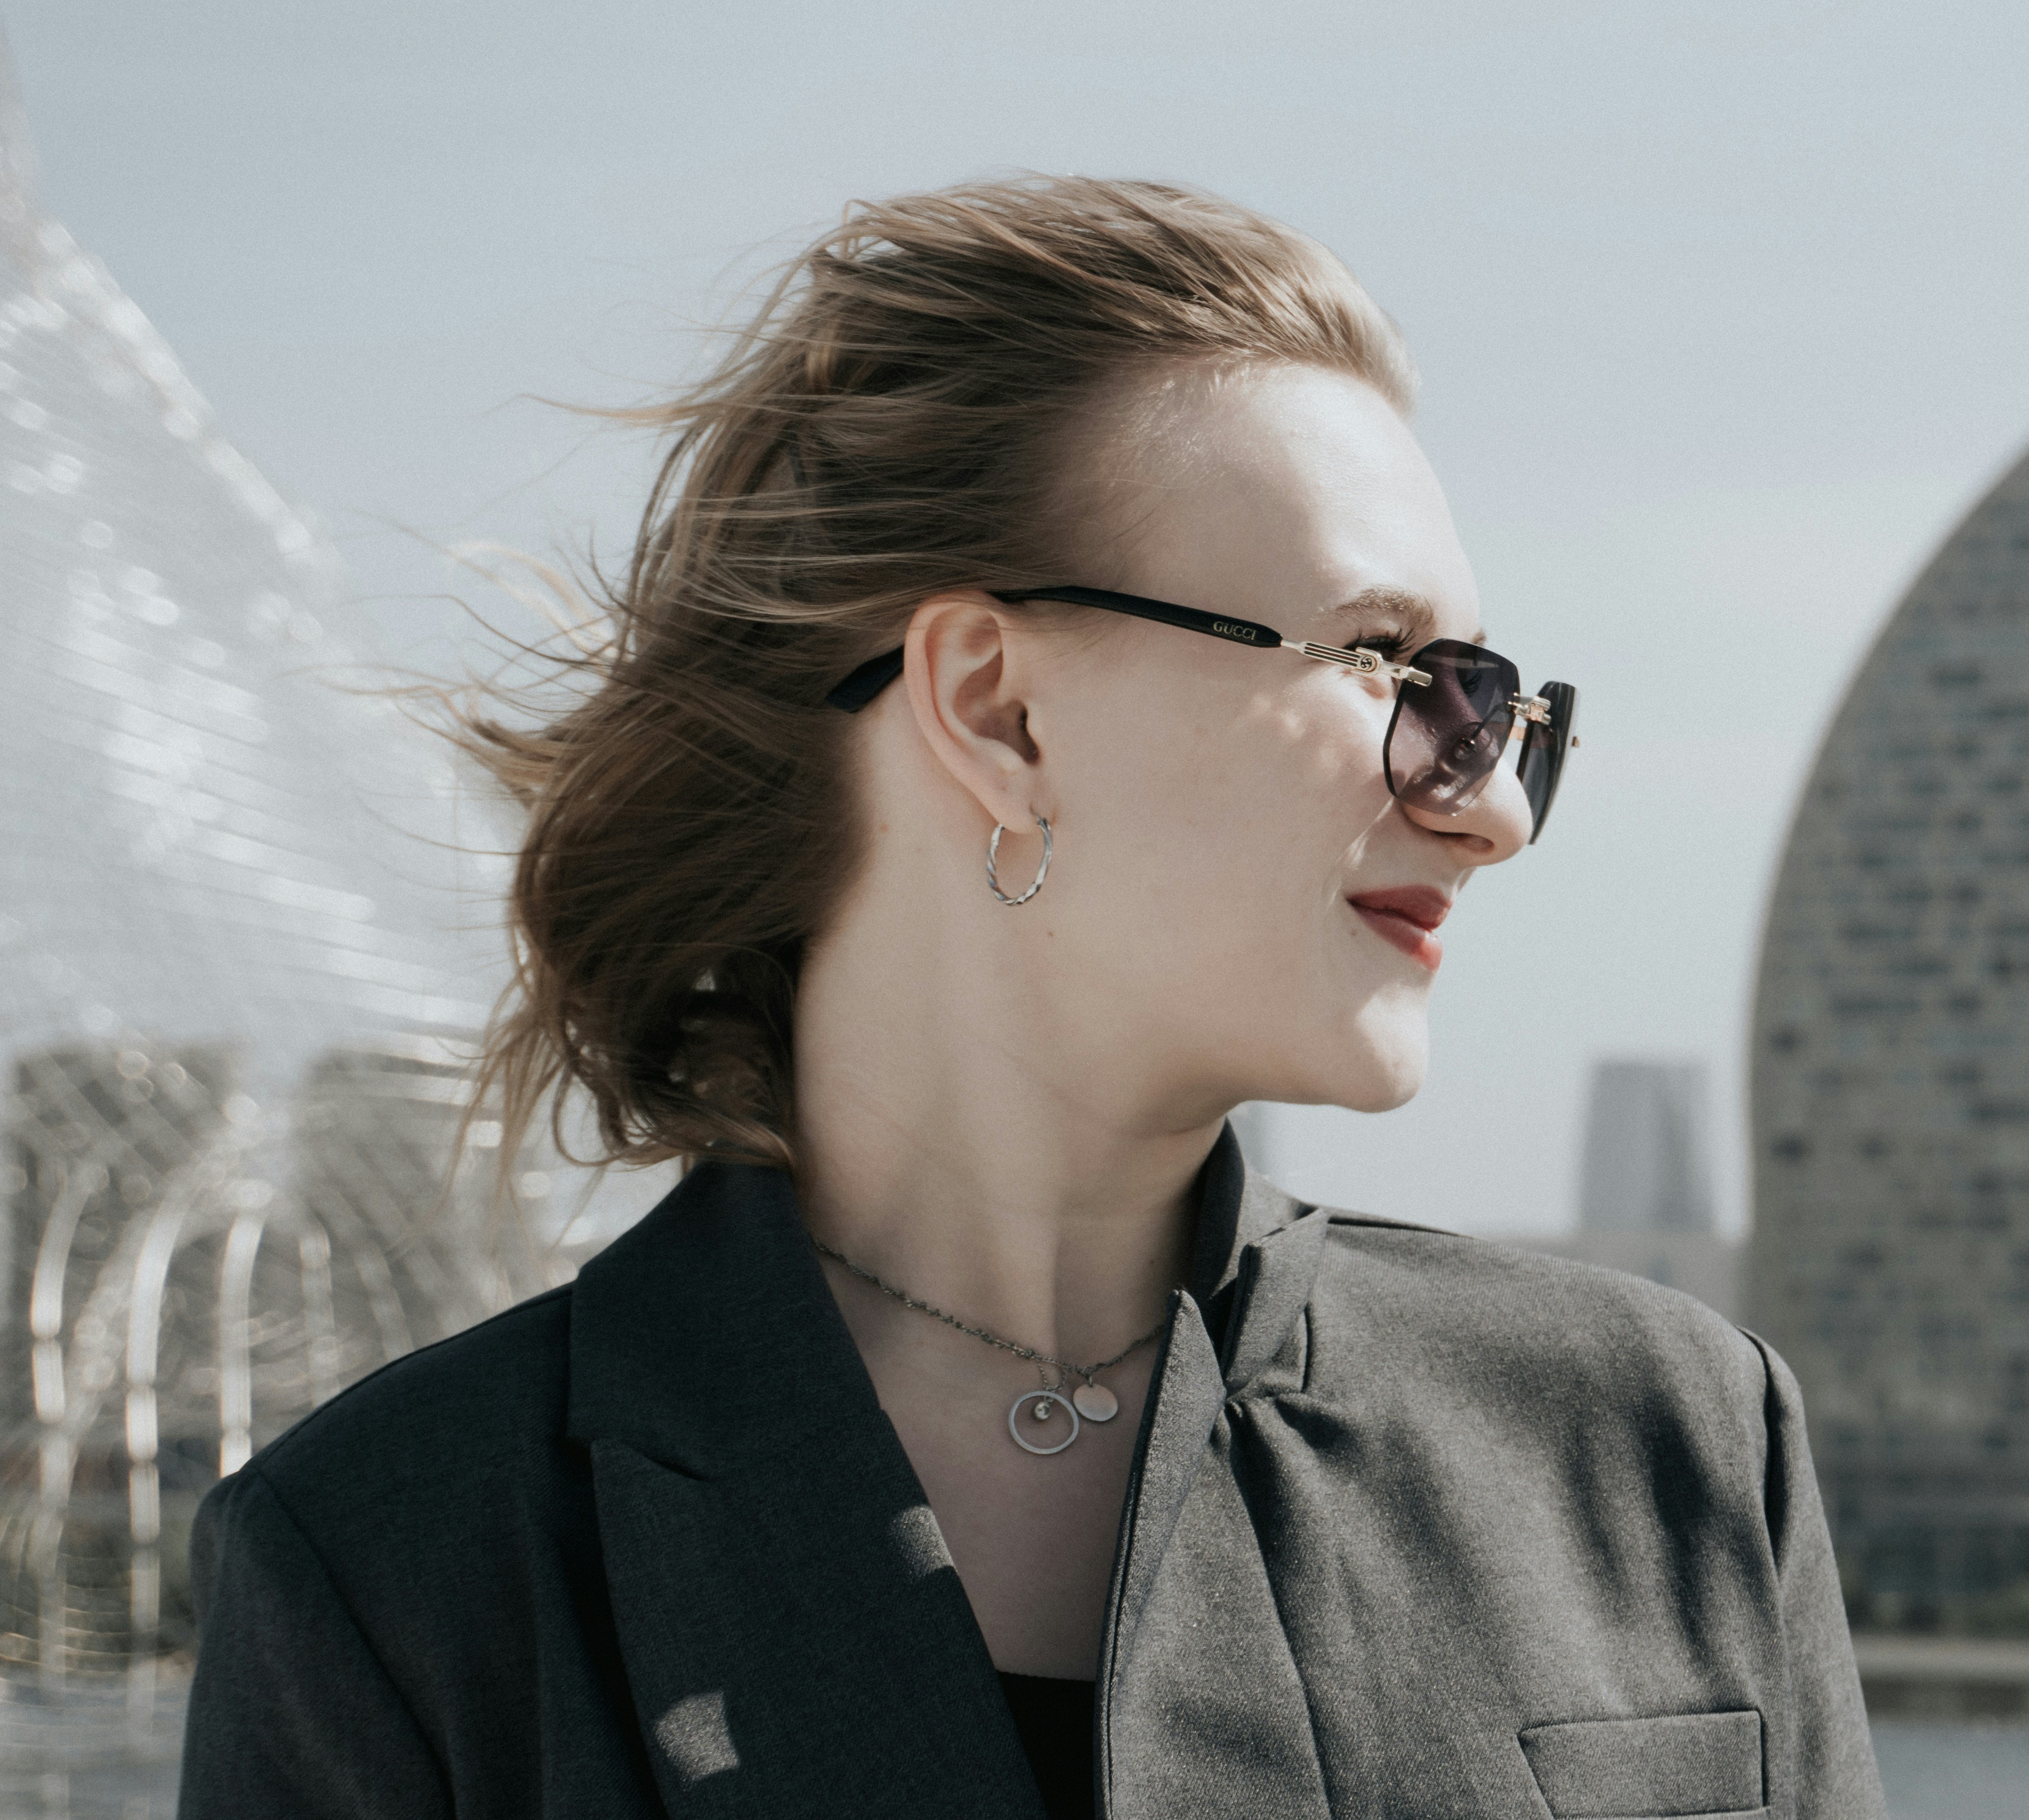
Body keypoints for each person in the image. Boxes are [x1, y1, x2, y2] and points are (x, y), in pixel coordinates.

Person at [178, 176, 1884, 1820]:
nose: (1489, 806)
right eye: (1393, 669)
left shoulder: (1656, 1444)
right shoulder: (407, 1565)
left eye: (1499, 711)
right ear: (995, 711)